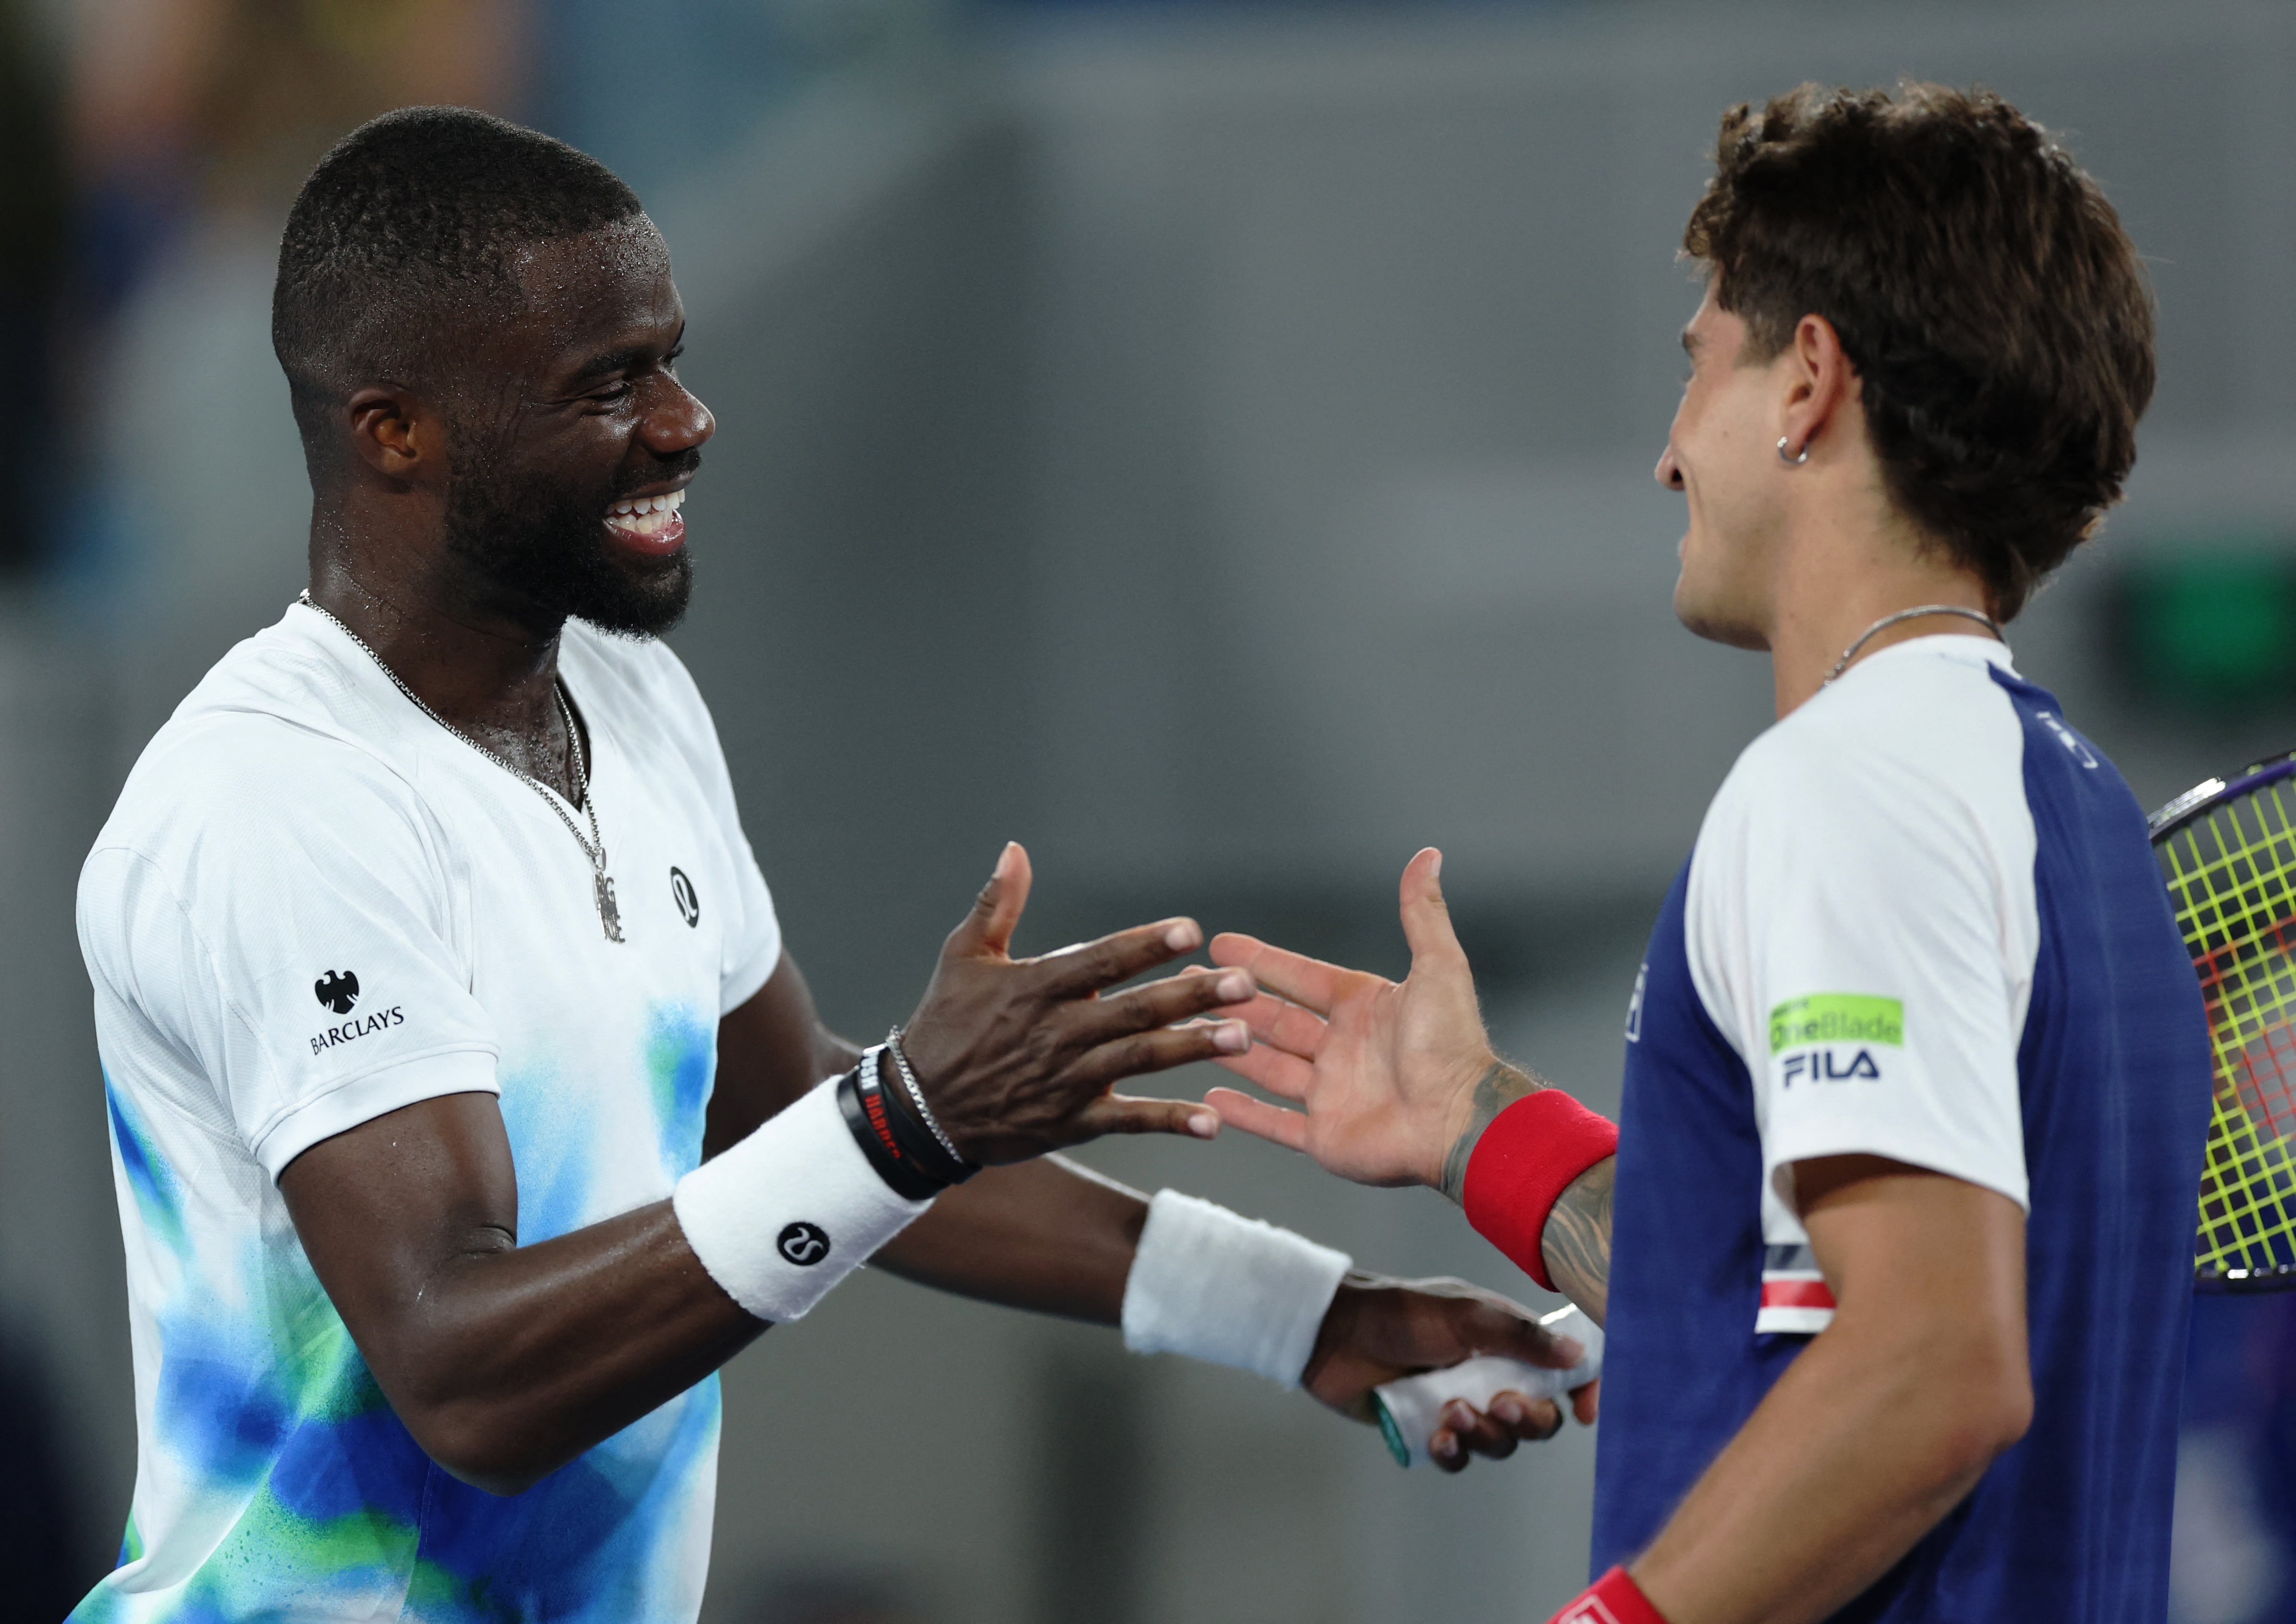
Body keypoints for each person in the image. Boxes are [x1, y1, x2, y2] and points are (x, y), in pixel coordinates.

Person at [72, 108, 1582, 1622]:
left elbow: (795, 1120)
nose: (684, 420)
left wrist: (1301, 1312)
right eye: (608, 383)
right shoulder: (272, 805)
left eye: (667, 354)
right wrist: (906, 1116)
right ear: (393, 431)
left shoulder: (630, 691)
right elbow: (467, 1383)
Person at [1203, 82, 2210, 1624]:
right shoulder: (2060, 808)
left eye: (1698, 374)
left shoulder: (1845, 786)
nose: (1668, 458)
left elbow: (1933, 1364)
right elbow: (1828, 1309)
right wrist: (1482, 1128)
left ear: (1806, 380)